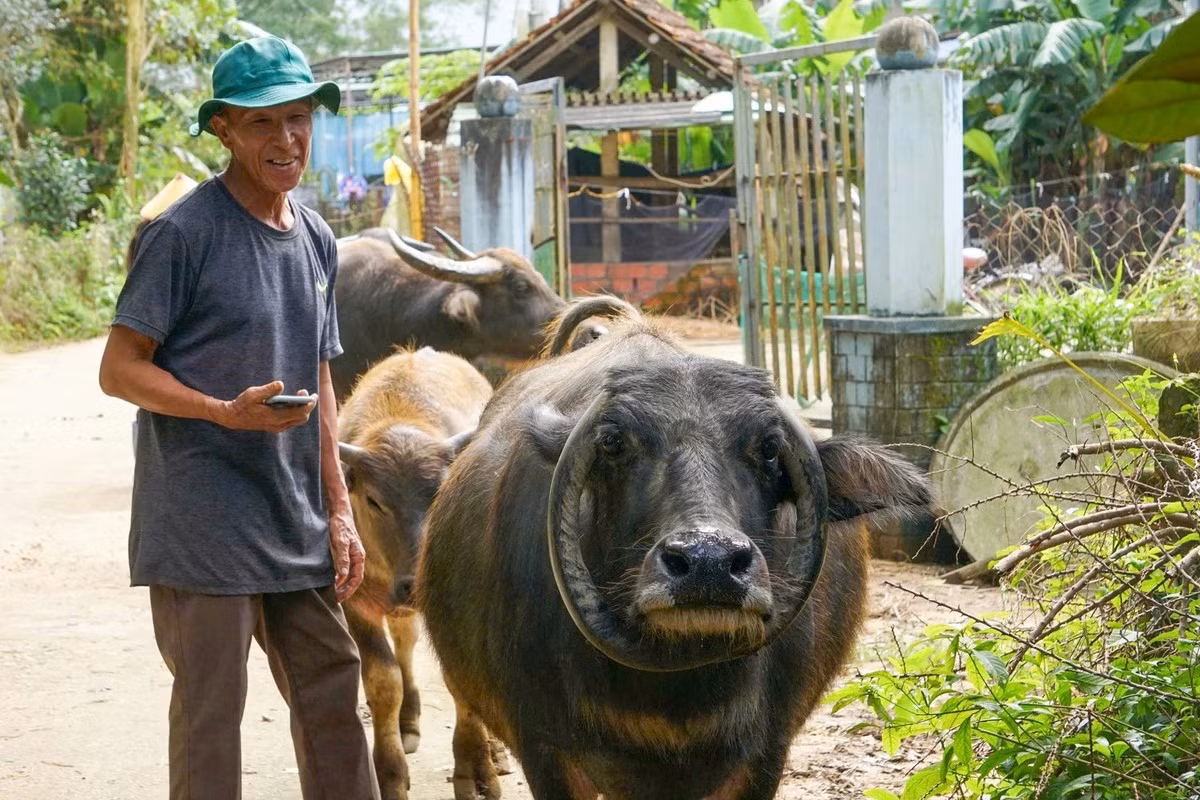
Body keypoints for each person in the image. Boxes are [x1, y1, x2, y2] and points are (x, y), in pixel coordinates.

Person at [98, 35, 379, 800]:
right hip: (202, 523)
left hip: (292, 516)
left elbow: (320, 371)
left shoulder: (318, 236)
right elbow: (119, 369)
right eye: (262, 124)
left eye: (297, 119)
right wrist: (223, 412)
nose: (286, 140)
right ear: (223, 129)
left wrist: (340, 509)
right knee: (210, 716)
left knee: (333, 698)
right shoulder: (182, 235)